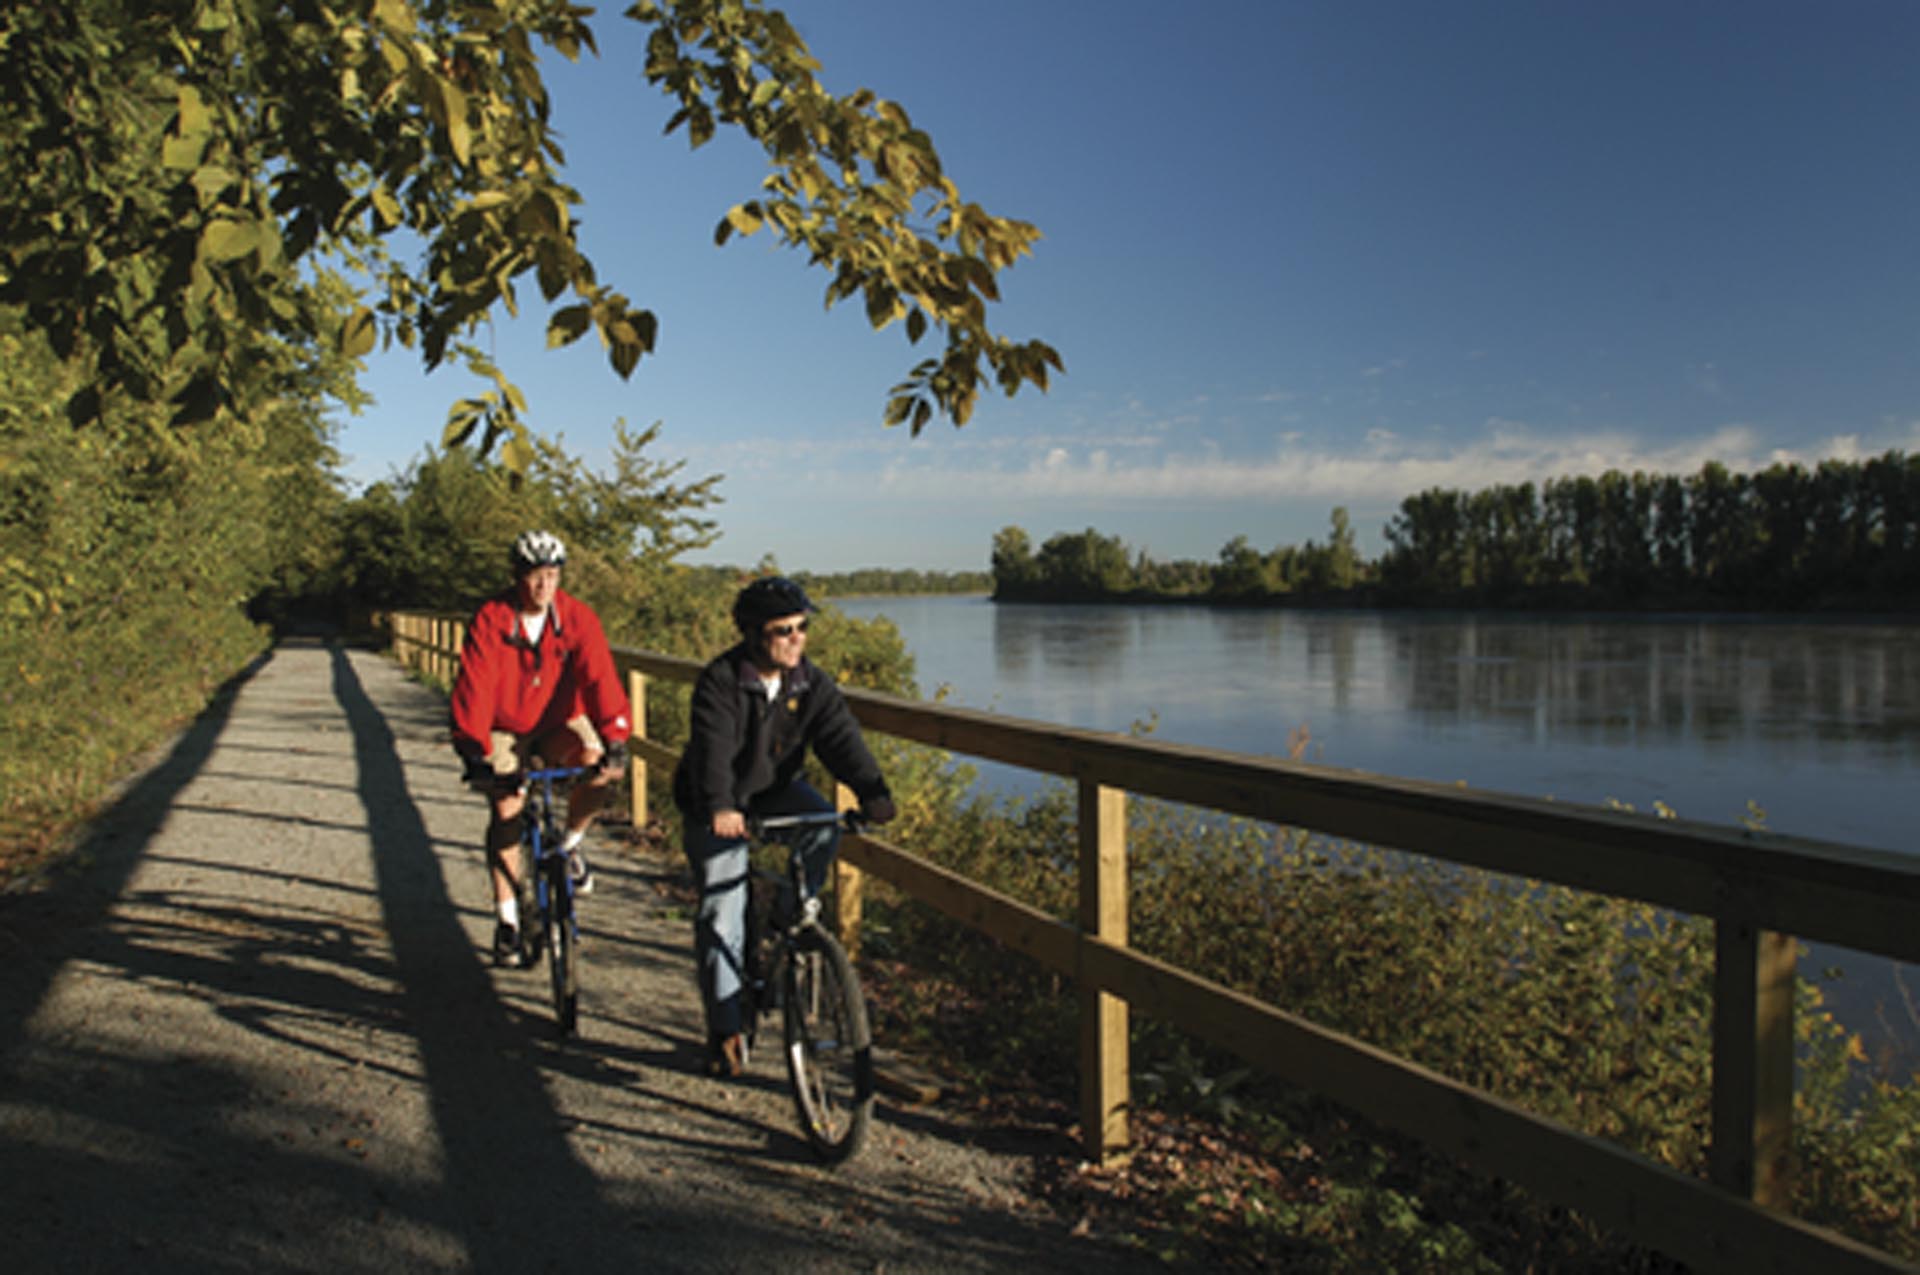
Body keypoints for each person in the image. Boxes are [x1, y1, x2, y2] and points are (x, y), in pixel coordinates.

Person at [672, 575, 895, 1077]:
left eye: (802, 627)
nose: (796, 638)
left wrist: (874, 791)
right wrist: (721, 807)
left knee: (822, 824)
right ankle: (726, 1028)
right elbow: (712, 751)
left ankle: (790, 917)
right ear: (752, 635)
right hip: (715, 800)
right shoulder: (722, 680)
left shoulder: (808, 682)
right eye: (782, 630)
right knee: (720, 914)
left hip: (772, 790)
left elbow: (840, 736)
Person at [451, 530, 631, 967]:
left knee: (595, 765)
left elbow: (599, 678)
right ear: (517, 576)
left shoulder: (577, 619)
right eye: (534, 576)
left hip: (556, 721)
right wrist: (474, 752)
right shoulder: (492, 619)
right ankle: (508, 920)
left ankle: (569, 844)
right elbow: (474, 687)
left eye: (551, 576)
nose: (543, 586)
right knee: (507, 808)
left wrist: (615, 737)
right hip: (502, 723)